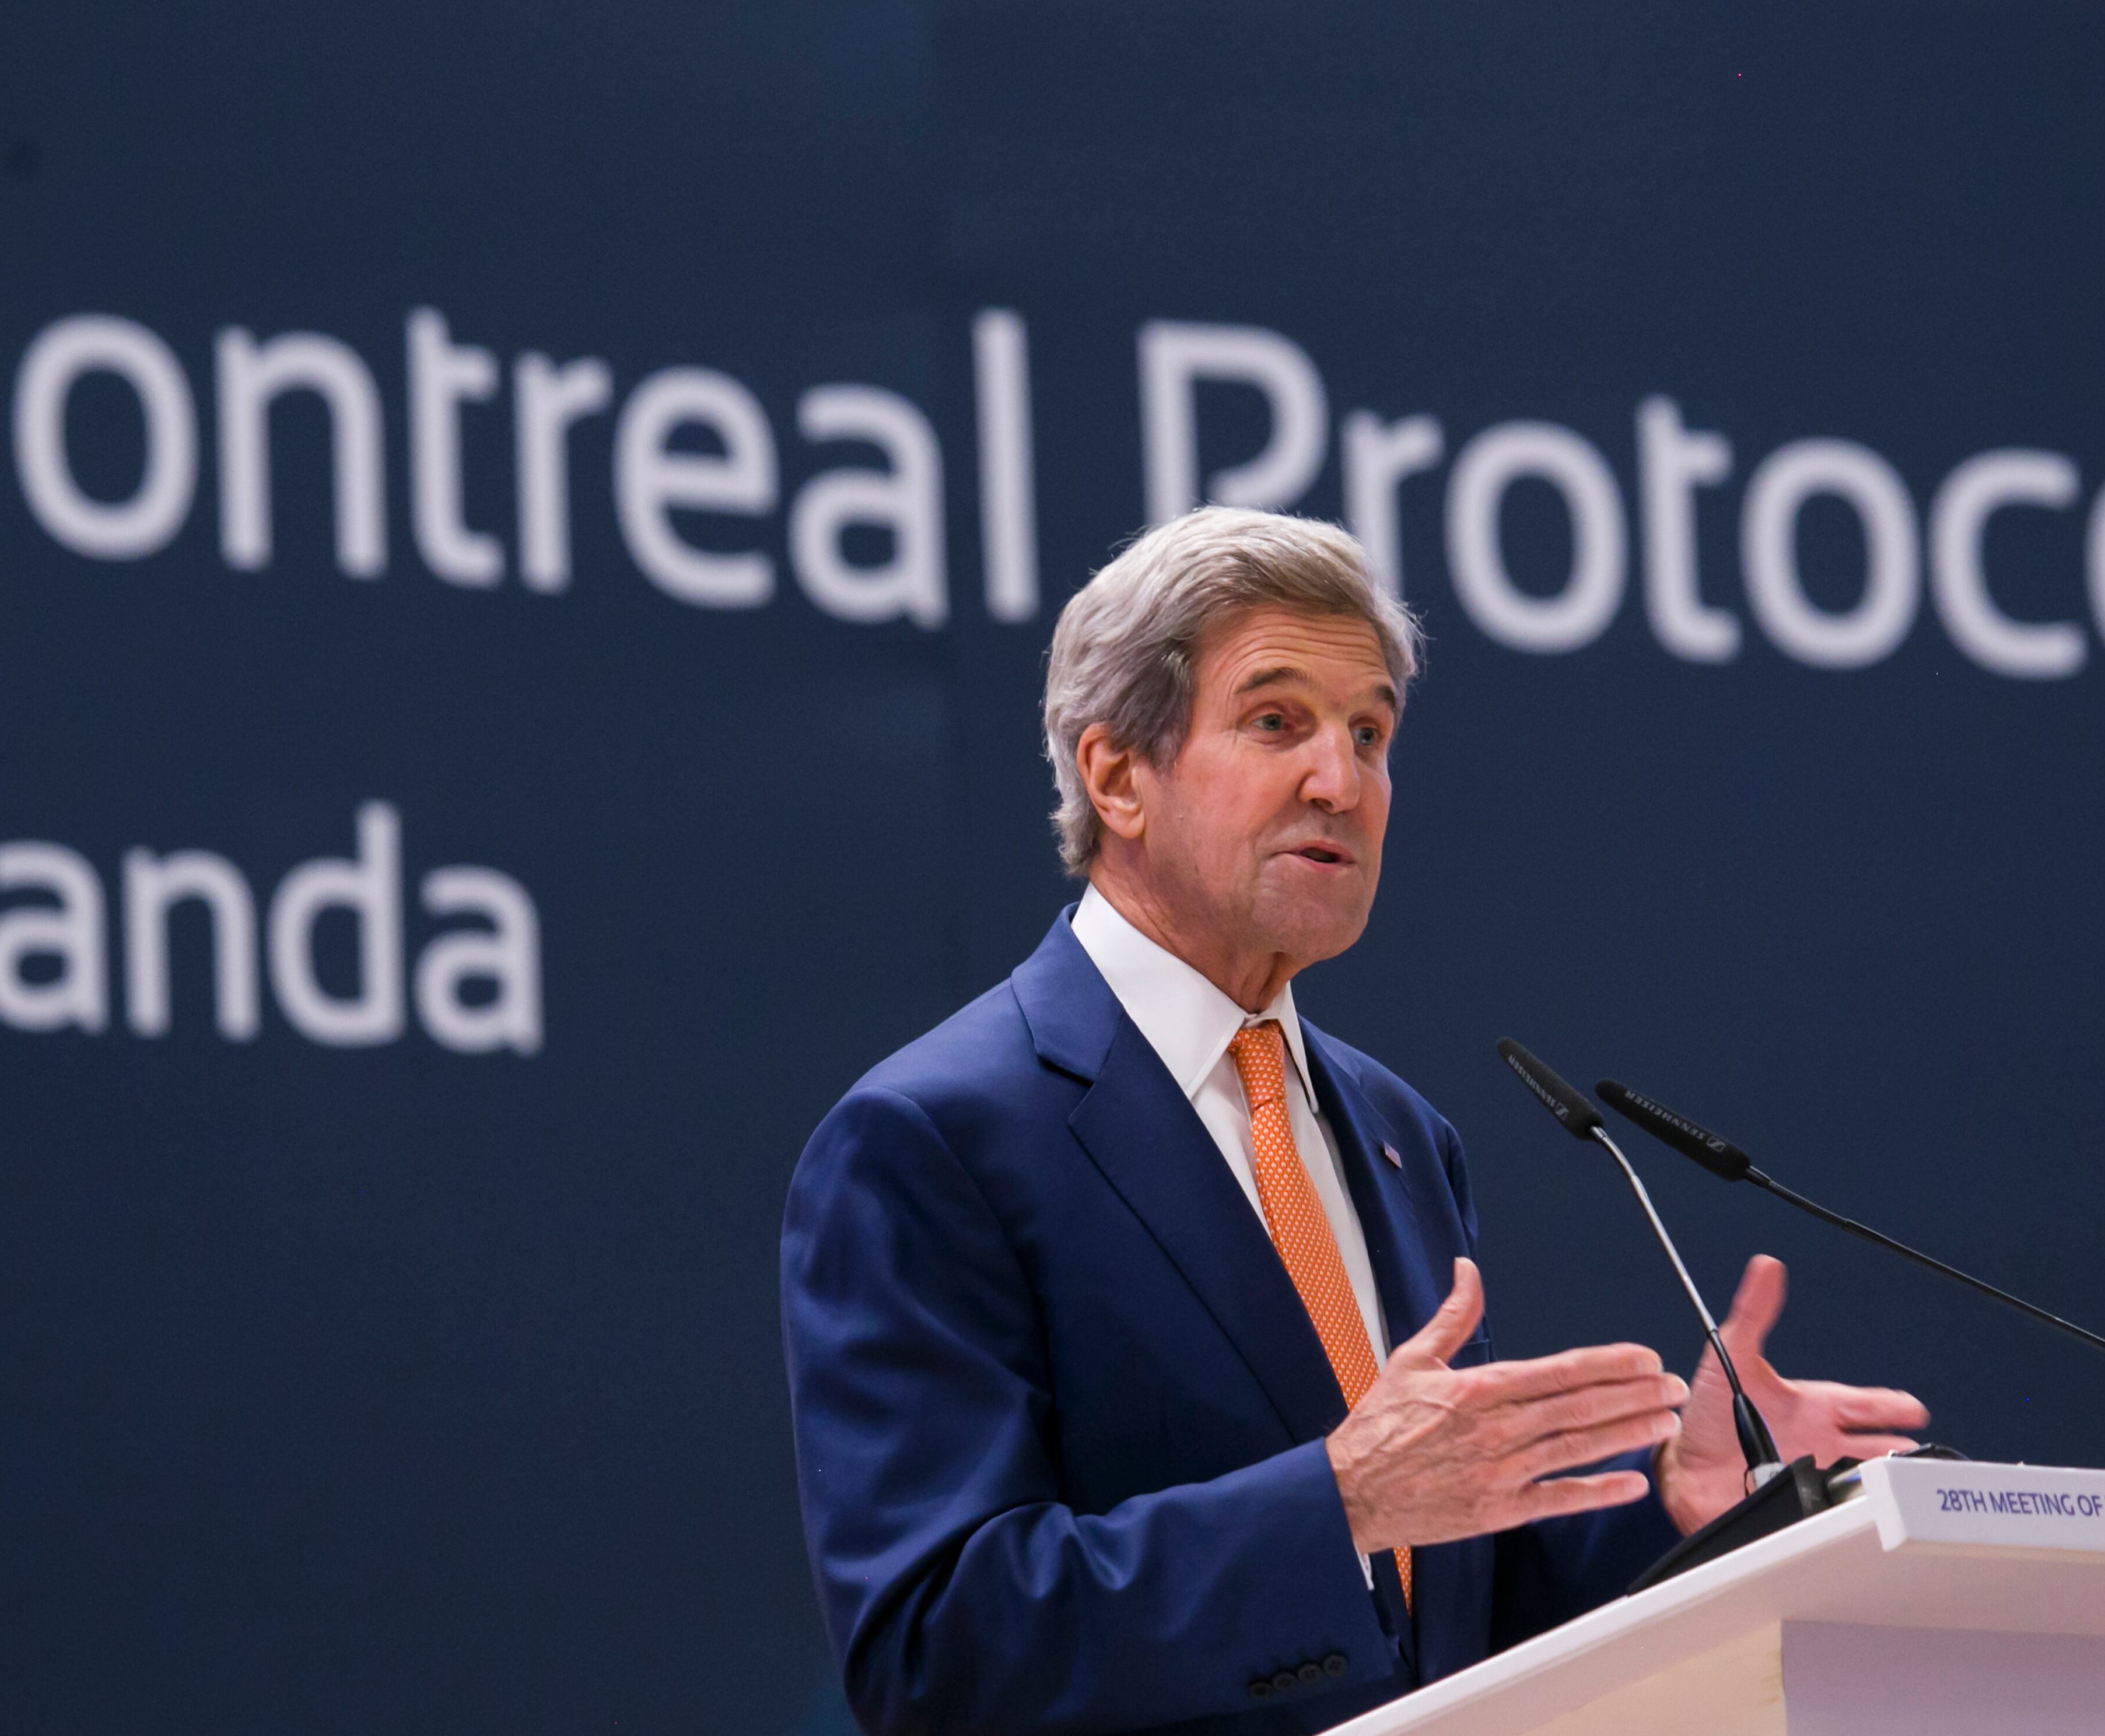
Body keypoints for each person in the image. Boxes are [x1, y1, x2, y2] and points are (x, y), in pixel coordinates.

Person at [780, 508, 1927, 1736]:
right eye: (1276, 721)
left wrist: (1687, 1502)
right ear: (1116, 775)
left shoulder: (1395, 1128)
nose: (1342, 780)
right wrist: (1332, 1507)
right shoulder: (933, 1138)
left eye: (1368, 733)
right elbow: (936, 1650)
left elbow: (1443, 1608)